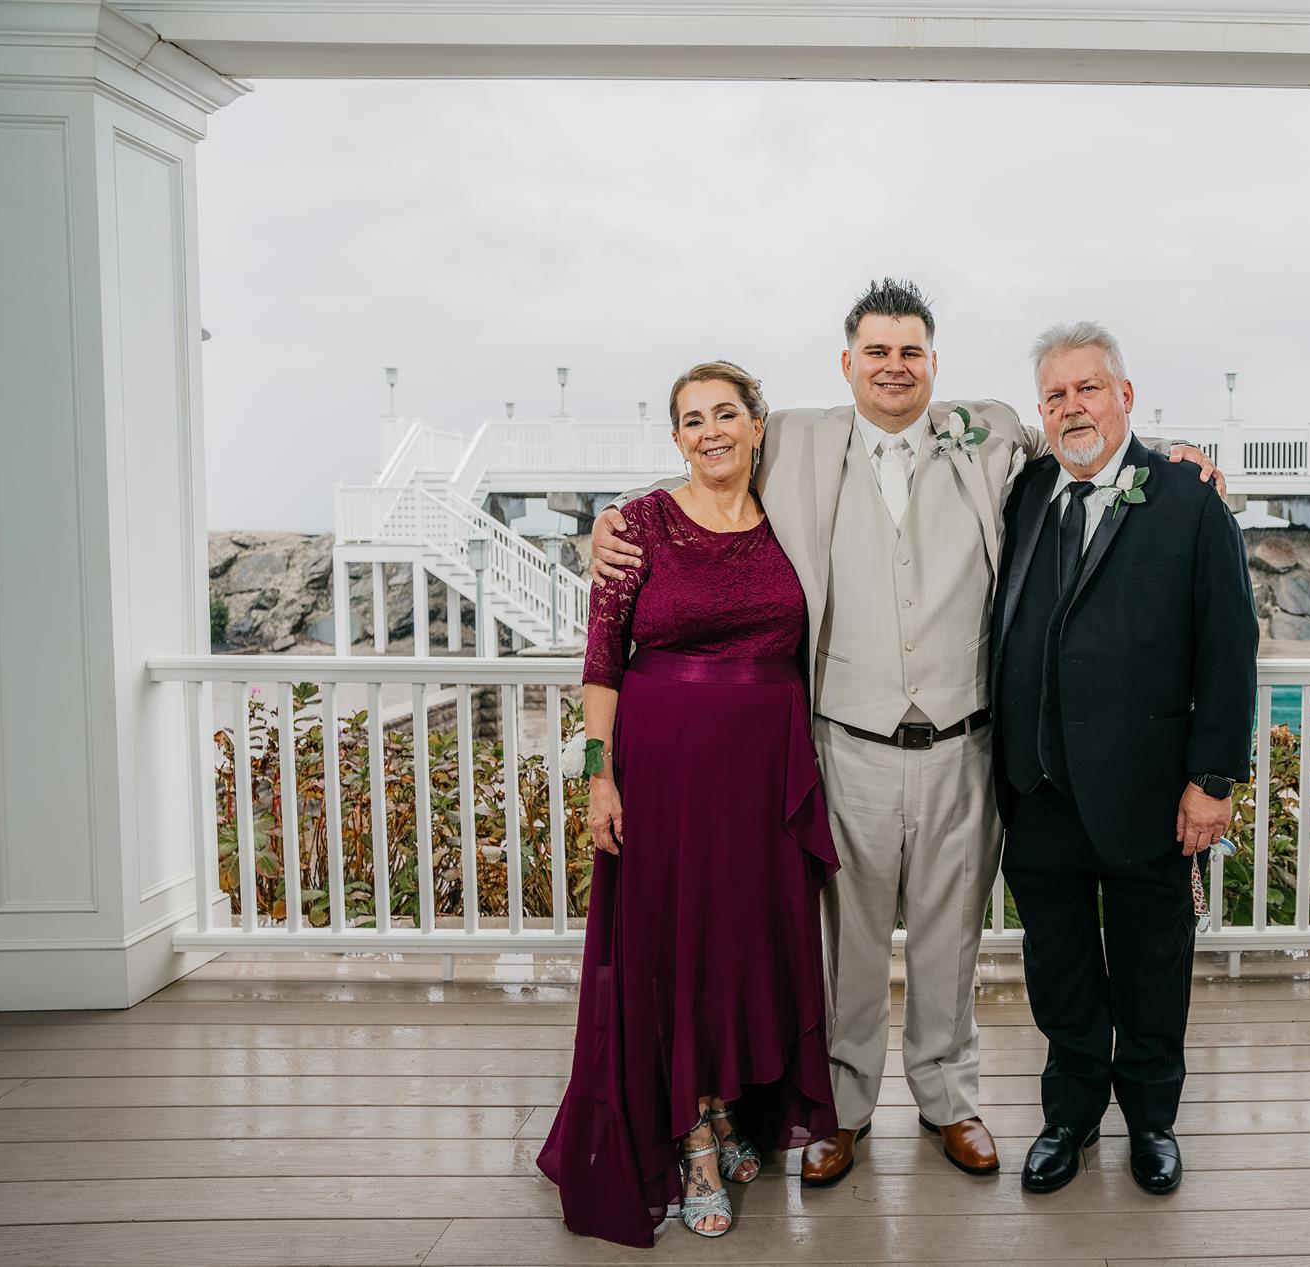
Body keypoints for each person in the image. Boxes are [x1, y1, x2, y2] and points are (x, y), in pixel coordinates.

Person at [589, 280, 1224, 1186]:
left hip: (966, 744)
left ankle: (948, 1098)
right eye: (877, 353)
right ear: (848, 363)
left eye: (911, 352)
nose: (895, 367)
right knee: (846, 941)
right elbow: (706, 466)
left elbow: (1088, 440)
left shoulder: (990, 433)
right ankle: (842, 1109)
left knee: (948, 937)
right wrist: (611, 518)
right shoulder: (795, 440)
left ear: (933, 362)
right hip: (845, 744)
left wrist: (1175, 454)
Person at [536, 361, 839, 1246]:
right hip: (665, 773)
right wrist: (600, 774)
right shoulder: (637, 526)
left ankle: (731, 1101)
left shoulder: (790, 519)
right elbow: (601, 660)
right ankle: (694, 1132)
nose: (711, 431)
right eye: (693, 419)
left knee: (744, 945)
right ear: (676, 438)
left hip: (763, 779)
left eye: (726, 413)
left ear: (756, 425)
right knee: (677, 948)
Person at [992, 321, 1259, 1198]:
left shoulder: (1187, 496)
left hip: (1150, 792)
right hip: (1038, 789)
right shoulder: (1025, 493)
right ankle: (1069, 1116)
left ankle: (1151, 1121)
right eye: (1056, 394)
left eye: (1088, 388)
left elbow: (1229, 647)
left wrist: (1213, 779)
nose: (1073, 407)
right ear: (1042, 411)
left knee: (1153, 968)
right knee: (1058, 970)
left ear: (1125, 395)